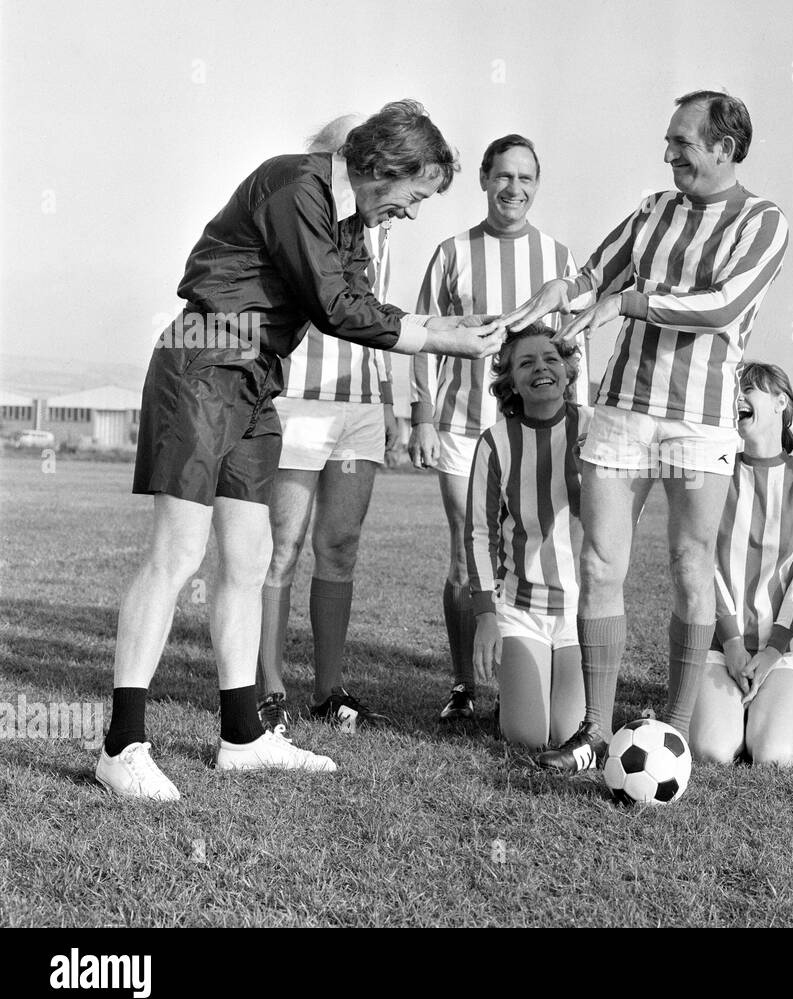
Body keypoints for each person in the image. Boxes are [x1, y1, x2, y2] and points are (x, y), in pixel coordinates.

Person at [96, 100, 502, 800]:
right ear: (385, 166)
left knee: (249, 560)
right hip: (203, 364)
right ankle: (121, 745)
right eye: (413, 194)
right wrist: (442, 336)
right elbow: (336, 309)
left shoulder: (345, 215)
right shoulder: (295, 185)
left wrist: (440, 324)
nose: (409, 211)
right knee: (178, 554)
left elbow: (354, 298)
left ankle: (243, 736)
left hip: (254, 379)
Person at [501, 90, 789, 772]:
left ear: (724, 146)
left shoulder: (764, 220)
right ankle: (594, 734)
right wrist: (562, 293)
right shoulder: (655, 208)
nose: (669, 155)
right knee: (601, 565)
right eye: (668, 142)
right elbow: (595, 273)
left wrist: (622, 303)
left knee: (691, 568)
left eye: (682, 143)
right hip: (624, 410)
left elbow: (722, 306)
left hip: (699, 419)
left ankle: (677, 731)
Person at [407, 134, 585, 723]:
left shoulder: (558, 257)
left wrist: (574, 426)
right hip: (464, 425)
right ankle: (464, 684)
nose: (514, 189)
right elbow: (422, 336)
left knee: (541, 546)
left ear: (538, 185)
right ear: (484, 180)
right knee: (468, 552)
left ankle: (528, 668)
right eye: (503, 176)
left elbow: (572, 345)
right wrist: (423, 416)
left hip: (540, 430)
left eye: (526, 178)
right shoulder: (453, 252)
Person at [255, 114, 398, 735]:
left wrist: (394, 398)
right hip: (301, 400)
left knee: (338, 547)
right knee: (280, 547)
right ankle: (268, 688)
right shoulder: (303, 205)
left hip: (360, 403)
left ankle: (330, 688)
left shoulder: (378, 220)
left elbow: (377, 310)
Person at [691, 363, 793, 767]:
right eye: (735, 389)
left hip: (785, 648)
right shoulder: (714, 471)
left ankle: (781, 696)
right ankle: (727, 704)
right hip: (721, 643)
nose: (738, 397)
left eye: (749, 388)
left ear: (782, 401)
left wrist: (772, 652)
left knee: (774, 756)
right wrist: (732, 643)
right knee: (713, 751)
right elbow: (702, 564)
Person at [465, 324, 589, 750]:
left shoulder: (594, 430)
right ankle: (519, 693)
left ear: (568, 372)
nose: (541, 368)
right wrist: (485, 616)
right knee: (528, 738)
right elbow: (479, 533)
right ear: (511, 381)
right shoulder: (495, 442)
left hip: (581, 609)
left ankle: (553, 682)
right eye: (526, 362)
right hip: (521, 608)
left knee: (568, 734)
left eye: (551, 359)